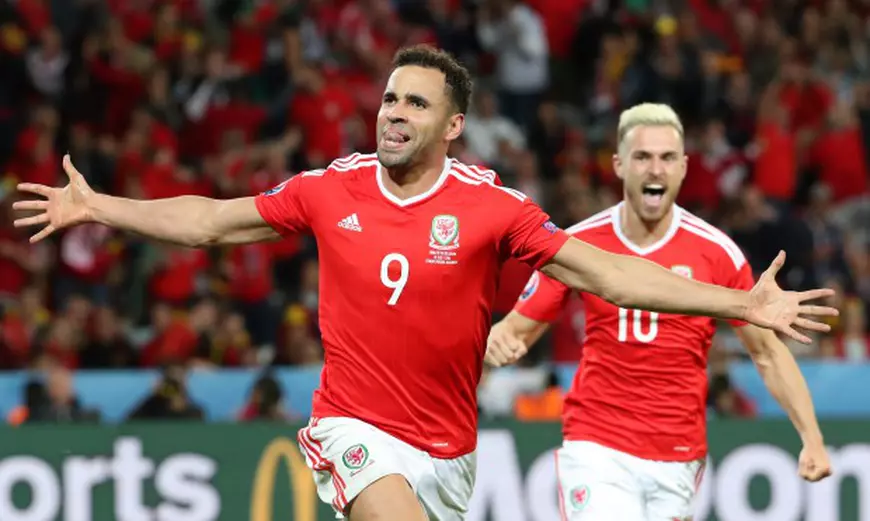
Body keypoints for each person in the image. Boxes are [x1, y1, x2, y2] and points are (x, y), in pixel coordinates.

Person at [13, 47, 836, 521]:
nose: (394, 112)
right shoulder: (329, 189)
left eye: (415, 103)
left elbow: (612, 274)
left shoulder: (492, 208)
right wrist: (99, 206)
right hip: (353, 426)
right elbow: (211, 221)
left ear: (452, 124)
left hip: (450, 451)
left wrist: (741, 302)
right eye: (389, 98)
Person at [486, 103, 833, 521]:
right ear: (619, 165)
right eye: (643, 157)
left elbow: (767, 353)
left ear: (684, 167)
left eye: (667, 158)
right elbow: (518, 329)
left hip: (678, 452)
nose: (655, 169)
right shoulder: (579, 245)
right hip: (597, 441)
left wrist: (812, 438)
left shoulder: (717, 252)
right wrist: (501, 341)